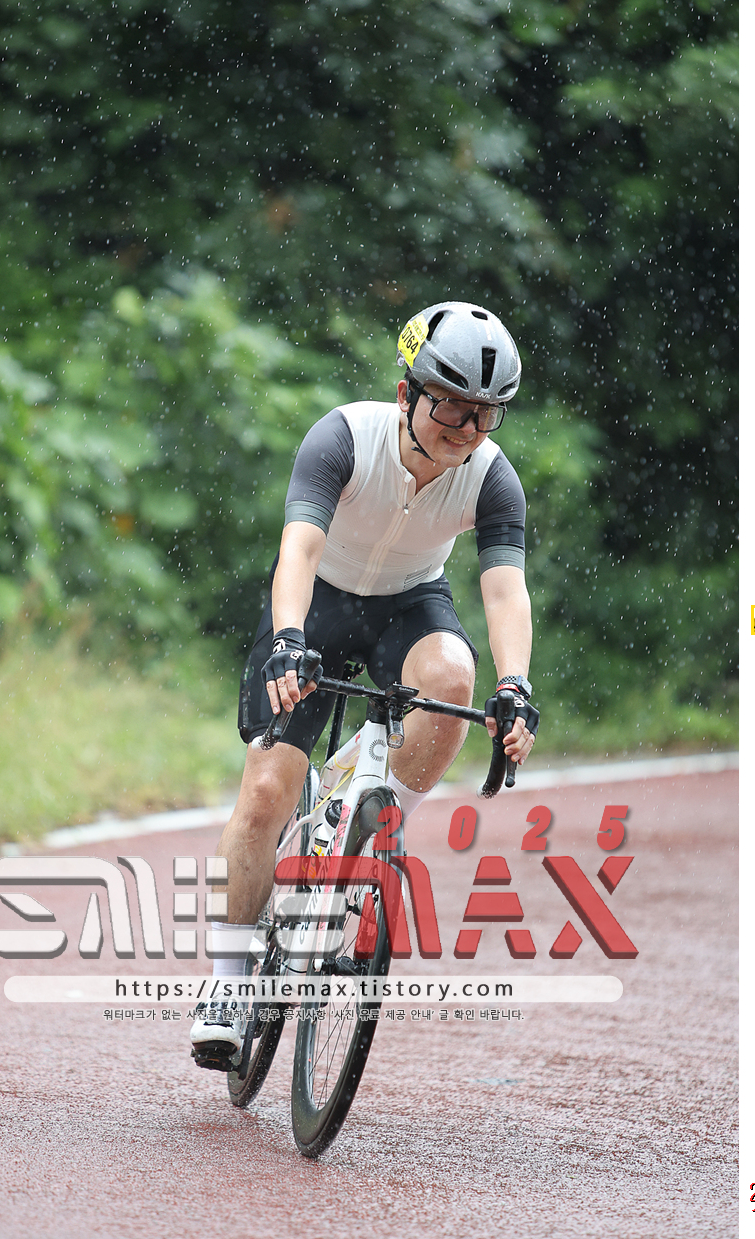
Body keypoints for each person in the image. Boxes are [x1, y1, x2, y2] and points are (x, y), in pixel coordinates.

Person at [190, 301, 538, 1070]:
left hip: (407, 607)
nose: (468, 428)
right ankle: (229, 981)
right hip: (316, 604)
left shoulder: (492, 477)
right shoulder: (344, 436)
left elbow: (504, 589)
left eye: (487, 414)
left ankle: (371, 825)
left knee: (455, 677)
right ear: (408, 393)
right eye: (452, 405)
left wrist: (515, 685)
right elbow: (300, 548)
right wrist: (288, 641)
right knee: (266, 791)